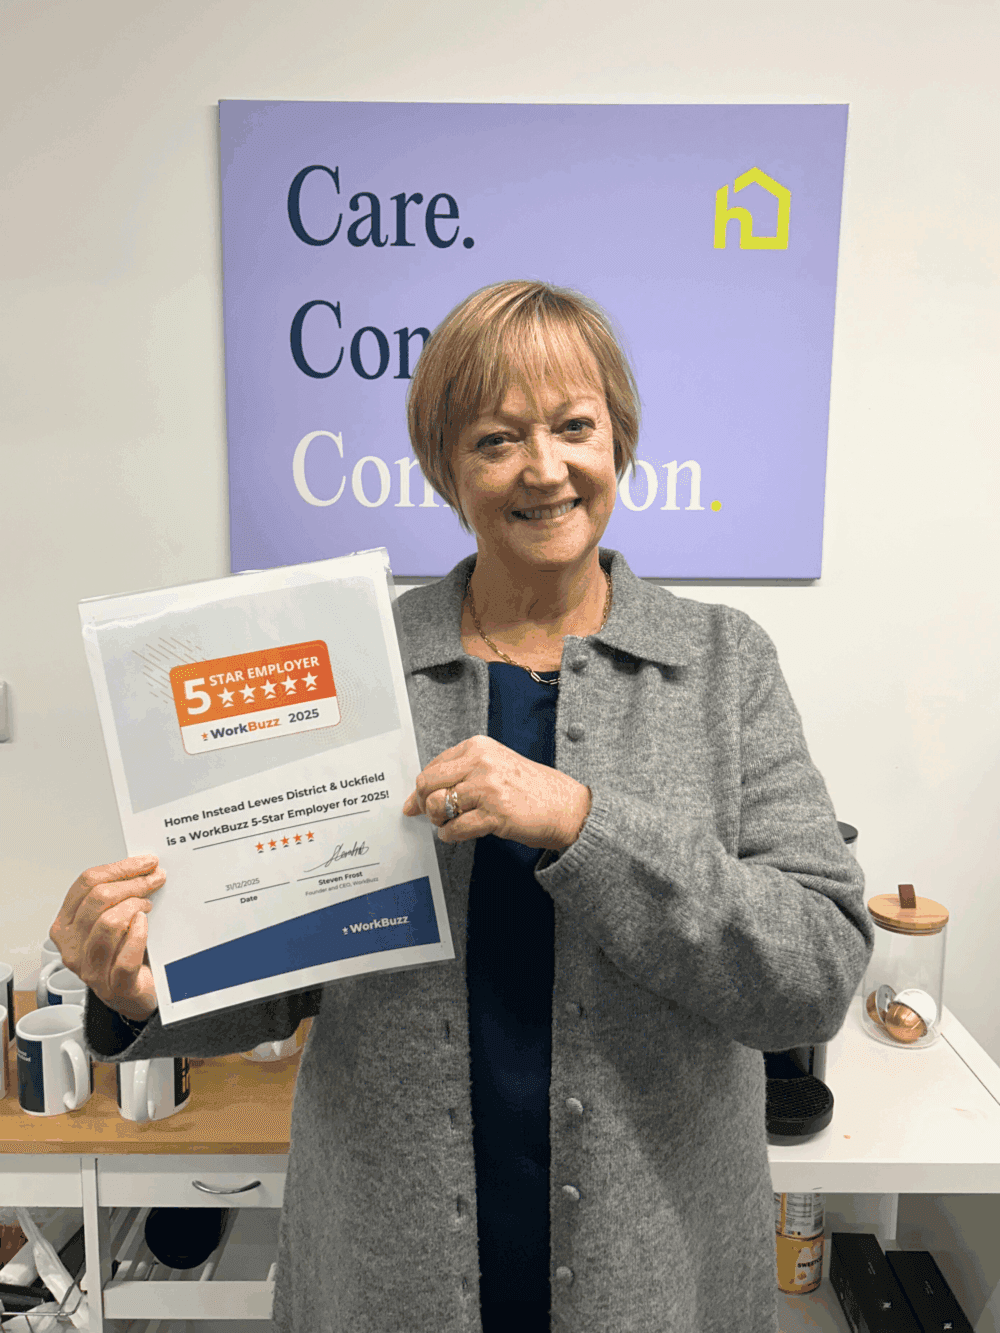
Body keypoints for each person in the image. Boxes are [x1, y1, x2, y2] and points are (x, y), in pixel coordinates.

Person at [52, 279, 874, 1333]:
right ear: (446, 469)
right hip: (391, 1259)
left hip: (654, 1262)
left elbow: (810, 974)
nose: (544, 468)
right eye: (495, 439)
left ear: (618, 441)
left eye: (574, 427)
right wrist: (136, 986)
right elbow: (277, 982)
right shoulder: (360, 667)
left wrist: (584, 819)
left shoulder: (722, 664)